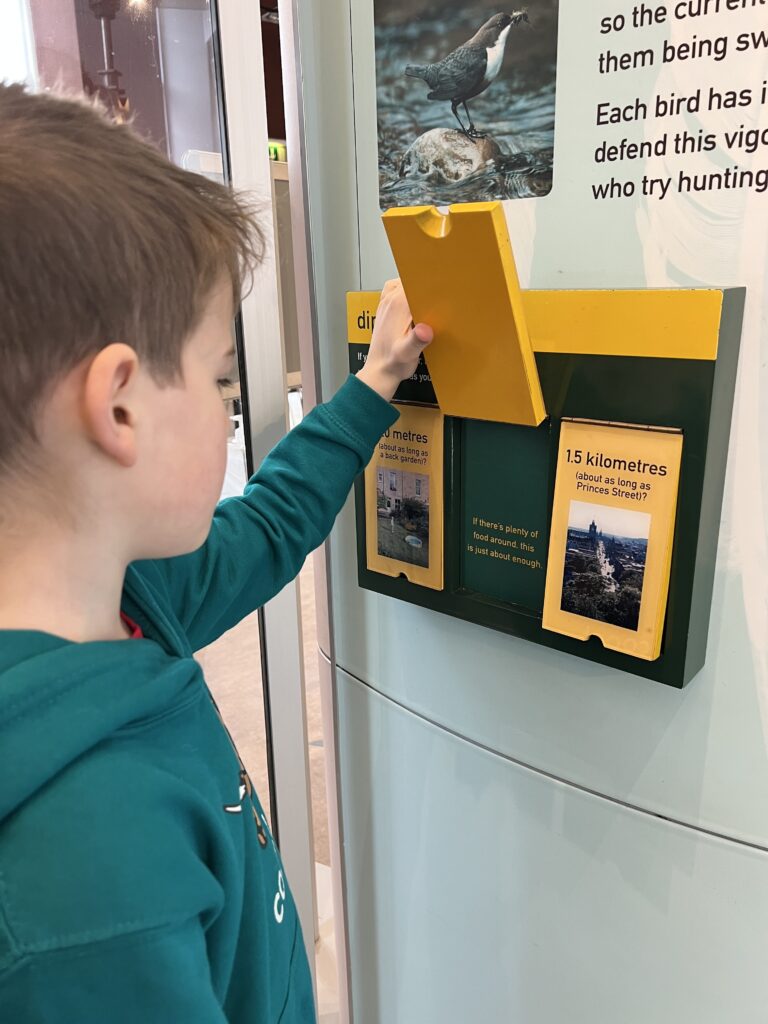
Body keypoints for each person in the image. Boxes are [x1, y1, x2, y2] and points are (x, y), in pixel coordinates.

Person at [0, 82, 432, 1022]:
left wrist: (376, 383)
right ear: (118, 406)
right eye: (220, 376)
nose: (230, 407)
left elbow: (268, 528)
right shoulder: (87, 886)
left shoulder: (124, 598)